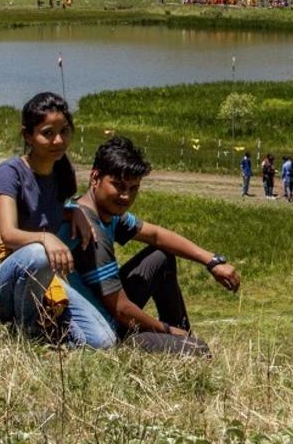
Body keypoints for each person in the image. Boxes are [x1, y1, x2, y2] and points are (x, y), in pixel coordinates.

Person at [60, 136, 239, 354]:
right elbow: (121, 309)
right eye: (118, 185)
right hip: (105, 326)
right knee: (198, 350)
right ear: (95, 177)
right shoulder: (91, 231)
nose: (126, 196)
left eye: (133, 188)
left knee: (161, 257)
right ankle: (180, 341)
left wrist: (211, 261)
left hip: (109, 308)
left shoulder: (104, 212)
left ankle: (181, 336)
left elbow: (155, 235)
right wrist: (166, 330)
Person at [0, 93, 101, 346]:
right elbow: (9, 233)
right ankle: (27, 333)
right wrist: (46, 238)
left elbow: (48, 207)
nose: (58, 140)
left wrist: (73, 210)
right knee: (38, 254)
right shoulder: (10, 173)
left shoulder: (62, 172)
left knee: (100, 340)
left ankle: (49, 329)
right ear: (27, 135)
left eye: (64, 131)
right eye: (47, 133)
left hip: (41, 278)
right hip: (0, 275)